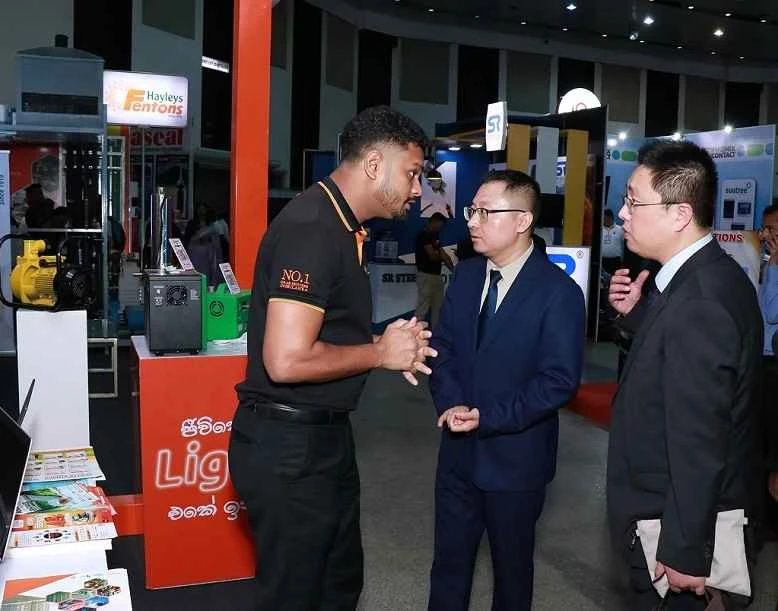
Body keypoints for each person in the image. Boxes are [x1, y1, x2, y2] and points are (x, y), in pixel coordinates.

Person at [228, 106, 436, 611]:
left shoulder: (341, 227)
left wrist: (381, 342)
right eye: (411, 173)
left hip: (321, 439)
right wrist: (379, 353)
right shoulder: (314, 230)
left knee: (336, 584)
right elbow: (286, 360)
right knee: (297, 596)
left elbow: (325, 328)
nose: (417, 190)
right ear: (374, 164)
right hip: (290, 448)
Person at [606, 140, 763, 611]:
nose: (622, 214)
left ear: (679, 214)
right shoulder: (702, 277)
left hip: (673, 529)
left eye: (633, 201)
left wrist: (685, 550)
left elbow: (699, 438)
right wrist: (638, 318)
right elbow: (681, 366)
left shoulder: (700, 300)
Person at [428, 169, 586, 611]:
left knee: (512, 576)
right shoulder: (465, 277)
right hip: (457, 456)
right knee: (448, 568)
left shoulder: (558, 292)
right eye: (472, 210)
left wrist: (489, 417)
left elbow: (558, 380)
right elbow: (443, 349)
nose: (472, 221)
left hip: (516, 462)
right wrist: (451, 402)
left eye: (485, 212)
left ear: (522, 221)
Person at [758, 204, 778, 541]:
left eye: (773, 229)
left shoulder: (774, 264)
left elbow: (773, 311)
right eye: (765, 228)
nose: (765, 235)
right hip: (762, 361)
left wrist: (774, 264)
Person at [415, 212, 453, 329]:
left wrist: (454, 270)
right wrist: (441, 256)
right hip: (425, 275)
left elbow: (444, 255)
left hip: (436, 275)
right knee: (423, 307)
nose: (440, 228)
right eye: (439, 225)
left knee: (438, 307)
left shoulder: (435, 237)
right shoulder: (424, 236)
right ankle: (415, 332)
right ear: (433, 222)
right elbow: (432, 256)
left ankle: (436, 333)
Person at [601, 208, 624, 274]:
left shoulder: (620, 230)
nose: (606, 220)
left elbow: (626, 245)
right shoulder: (600, 230)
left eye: (608, 218)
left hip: (616, 261)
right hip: (602, 260)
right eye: (604, 218)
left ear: (612, 218)